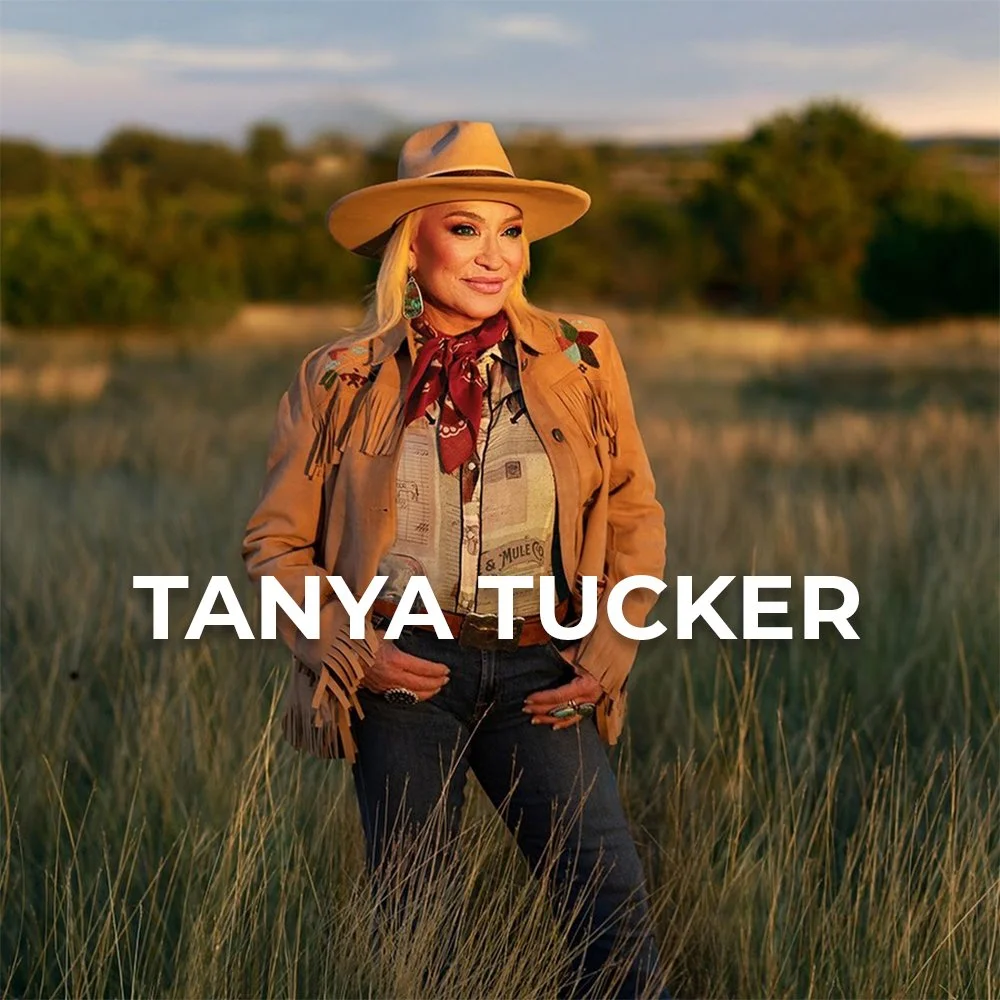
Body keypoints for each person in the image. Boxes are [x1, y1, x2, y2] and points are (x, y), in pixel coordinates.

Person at [242, 120, 669, 999]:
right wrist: (348, 651)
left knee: (612, 919)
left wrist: (612, 643)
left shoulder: (582, 354)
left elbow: (631, 506)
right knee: (419, 940)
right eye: (466, 228)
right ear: (413, 243)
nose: (496, 256)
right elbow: (275, 544)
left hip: (542, 670)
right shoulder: (339, 375)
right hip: (403, 673)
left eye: (510, 230)